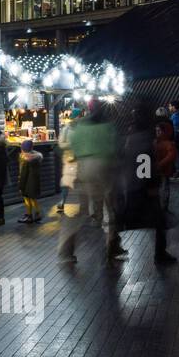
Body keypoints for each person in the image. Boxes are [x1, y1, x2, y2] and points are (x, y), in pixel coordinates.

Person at [110, 100, 177, 264]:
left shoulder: (130, 134)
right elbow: (143, 161)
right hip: (140, 188)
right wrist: (150, 184)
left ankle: (112, 246)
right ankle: (160, 255)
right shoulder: (144, 136)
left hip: (130, 185)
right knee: (157, 221)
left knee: (124, 219)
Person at [57, 100, 119, 263]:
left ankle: (65, 252)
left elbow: (67, 148)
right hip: (104, 167)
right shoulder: (109, 126)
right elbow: (115, 149)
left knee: (73, 212)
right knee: (110, 209)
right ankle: (112, 244)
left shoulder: (78, 127)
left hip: (81, 168)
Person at [56, 107, 81, 215]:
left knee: (82, 182)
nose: (80, 118)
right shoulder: (66, 129)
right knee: (67, 182)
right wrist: (73, 145)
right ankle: (63, 201)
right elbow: (61, 143)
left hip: (80, 158)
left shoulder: (82, 129)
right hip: (69, 159)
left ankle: (84, 205)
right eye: (79, 116)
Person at [154, 113, 178, 212]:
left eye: (159, 131)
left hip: (163, 169)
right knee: (163, 188)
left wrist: (159, 164)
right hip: (162, 169)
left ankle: (163, 207)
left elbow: (171, 156)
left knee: (163, 188)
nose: (157, 133)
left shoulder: (166, 144)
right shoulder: (159, 142)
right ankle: (162, 206)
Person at [17, 139, 43, 224]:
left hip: (27, 183)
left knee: (27, 199)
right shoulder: (37, 157)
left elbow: (23, 174)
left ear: (23, 149)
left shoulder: (25, 159)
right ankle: (37, 214)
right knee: (33, 198)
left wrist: (20, 185)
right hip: (34, 181)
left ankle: (29, 216)